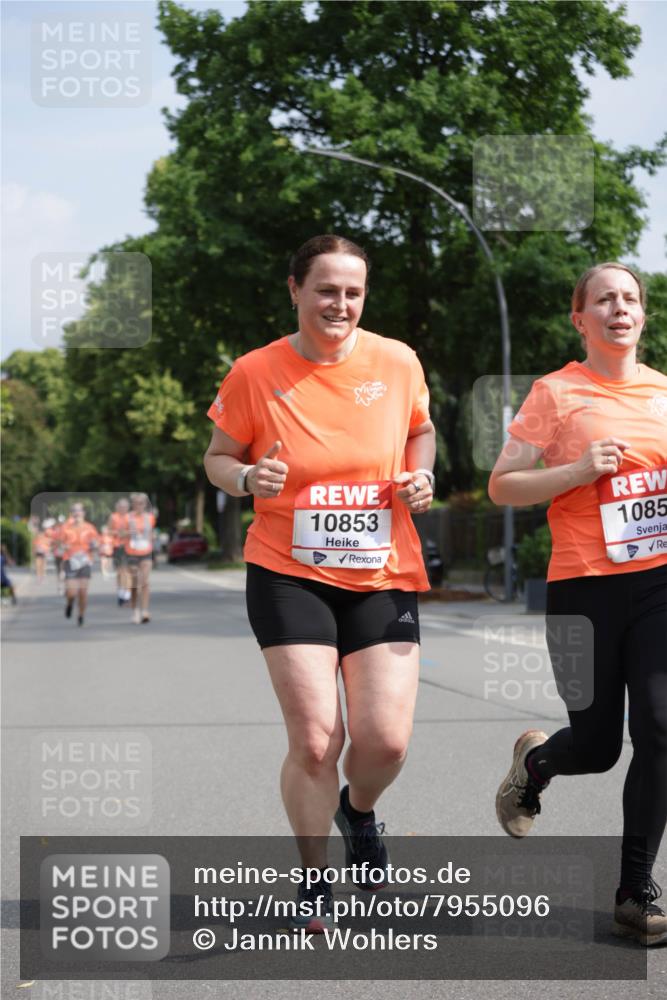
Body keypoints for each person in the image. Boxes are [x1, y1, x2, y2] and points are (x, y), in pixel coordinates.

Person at [203, 234, 436, 932]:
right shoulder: (254, 371)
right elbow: (218, 457)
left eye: (352, 292)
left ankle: (357, 812)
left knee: (384, 741)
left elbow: (419, 431)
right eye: (326, 289)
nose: (340, 303)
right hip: (287, 570)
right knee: (314, 741)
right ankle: (314, 881)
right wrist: (248, 477)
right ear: (295, 290)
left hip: (382, 570)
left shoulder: (396, 361)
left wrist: (421, 474)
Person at [489, 262, 667, 947]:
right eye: (604, 299)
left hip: (658, 584)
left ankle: (633, 891)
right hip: (580, 588)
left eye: (630, 299)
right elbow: (503, 485)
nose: (619, 308)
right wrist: (577, 469)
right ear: (579, 319)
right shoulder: (555, 392)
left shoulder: (662, 392)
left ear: (642, 316)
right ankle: (534, 766)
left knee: (659, 728)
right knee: (595, 747)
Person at [61, 503, 100, 626]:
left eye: (79, 510)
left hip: (84, 561)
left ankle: (81, 615)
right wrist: (63, 546)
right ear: (71, 513)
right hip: (70, 561)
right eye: (74, 510)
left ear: (84, 513)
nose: (77, 513)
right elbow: (58, 543)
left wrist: (95, 545)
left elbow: (97, 542)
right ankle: (69, 603)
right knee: (71, 592)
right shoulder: (65, 528)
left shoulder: (90, 528)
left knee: (83, 592)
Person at [124, 493, 154, 624]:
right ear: (133, 504)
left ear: (145, 504)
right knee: (135, 583)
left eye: (141, 503)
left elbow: (151, 532)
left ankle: (145, 611)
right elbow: (119, 533)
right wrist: (129, 532)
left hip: (146, 551)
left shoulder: (150, 517)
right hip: (131, 552)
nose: (139, 506)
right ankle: (135, 610)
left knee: (145, 582)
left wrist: (152, 538)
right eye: (136, 503)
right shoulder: (127, 517)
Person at [108, 498, 130, 606]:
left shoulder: (130, 517)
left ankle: (127, 594)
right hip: (117, 547)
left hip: (129, 547)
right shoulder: (113, 517)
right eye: (121, 507)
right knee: (120, 571)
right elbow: (109, 531)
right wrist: (118, 533)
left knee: (127, 571)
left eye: (125, 507)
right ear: (117, 507)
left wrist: (127, 533)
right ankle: (121, 592)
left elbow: (135, 531)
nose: (123, 509)